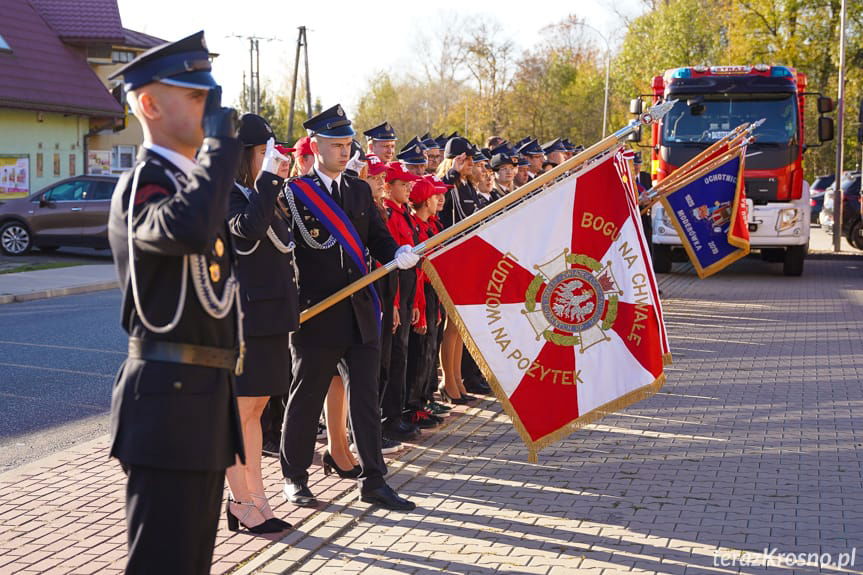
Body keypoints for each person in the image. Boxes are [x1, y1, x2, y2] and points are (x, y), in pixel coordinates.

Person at [106, 31, 244, 574]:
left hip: (203, 401)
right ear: (148, 104)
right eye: (194, 95)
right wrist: (218, 148)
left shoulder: (191, 184)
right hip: (166, 406)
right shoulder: (145, 182)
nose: (210, 106)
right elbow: (185, 229)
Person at [280, 104, 419, 511]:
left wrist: (399, 252)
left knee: (365, 399)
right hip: (318, 314)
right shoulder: (296, 194)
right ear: (316, 146)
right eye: (337, 145)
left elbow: (377, 238)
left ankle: (374, 479)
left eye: (348, 144)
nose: (345, 152)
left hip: (359, 313)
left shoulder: (358, 190)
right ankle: (295, 476)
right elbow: (284, 256)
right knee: (305, 399)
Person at [226, 114, 296, 534]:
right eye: (264, 152)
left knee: (255, 411)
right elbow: (248, 231)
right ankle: (241, 502)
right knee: (237, 416)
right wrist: (269, 181)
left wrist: (270, 183)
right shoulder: (228, 196)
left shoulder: (262, 193)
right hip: (242, 321)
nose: (273, 159)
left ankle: (258, 499)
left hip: (268, 318)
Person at [436, 137, 478, 404]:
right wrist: (451, 172)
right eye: (466, 160)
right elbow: (435, 196)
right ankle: (447, 381)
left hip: (467, 258)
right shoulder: (447, 183)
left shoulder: (467, 186)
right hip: (450, 259)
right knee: (451, 326)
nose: (471, 164)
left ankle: (458, 378)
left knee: (461, 327)